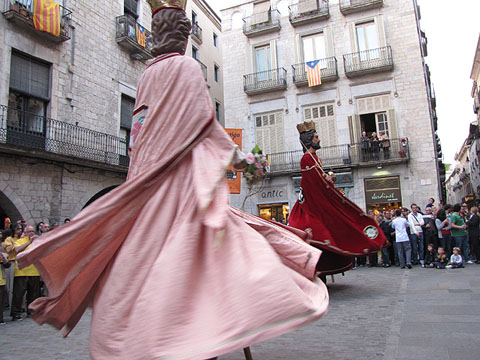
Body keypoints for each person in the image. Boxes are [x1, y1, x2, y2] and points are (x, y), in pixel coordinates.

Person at [17, 4, 328, 359]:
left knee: (144, 265)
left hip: (145, 186)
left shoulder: (148, 73)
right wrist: (244, 160)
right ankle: (201, 334)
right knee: (217, 253)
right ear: (182, 37)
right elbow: (204, 124)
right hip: (179, 186)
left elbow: (143, 129)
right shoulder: (185, 67)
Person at [288, 121, 386, 278]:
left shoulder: (314, 158)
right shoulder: (306, 159)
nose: (319, 139)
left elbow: (319, 180)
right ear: (309, 140)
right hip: (312, 205)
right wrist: (327, 181)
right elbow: (313, 183)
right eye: (316, 137)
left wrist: (327, 179)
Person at [11, 226, 41, 319]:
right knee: (19, 293)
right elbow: (17, 250)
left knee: (33, 293)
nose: (31, 233)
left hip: (34, 271)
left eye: (32, 231)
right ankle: (16, 312)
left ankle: (31, 311)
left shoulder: (38, 241)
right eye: (29, 231)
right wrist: (29, 242)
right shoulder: (20, 241)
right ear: (25, 233)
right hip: (21, 271)